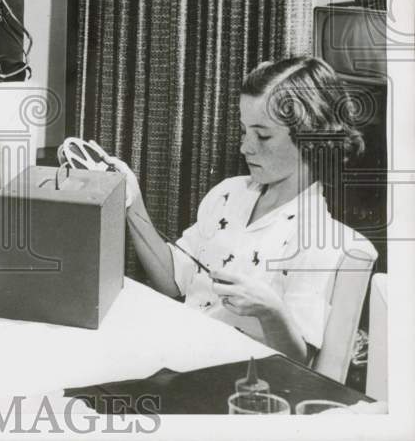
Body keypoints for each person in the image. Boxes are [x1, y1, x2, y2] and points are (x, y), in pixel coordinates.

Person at [111, 56, 375, 364]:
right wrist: (132, 201)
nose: (245, 147)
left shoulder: (318, 239)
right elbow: (173, 280)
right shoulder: (227, 194)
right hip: (178, 354)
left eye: (262, 135)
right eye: (244, 131)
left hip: (238, 383)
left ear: (311, 139)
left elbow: (299, 363)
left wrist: (270, 311)